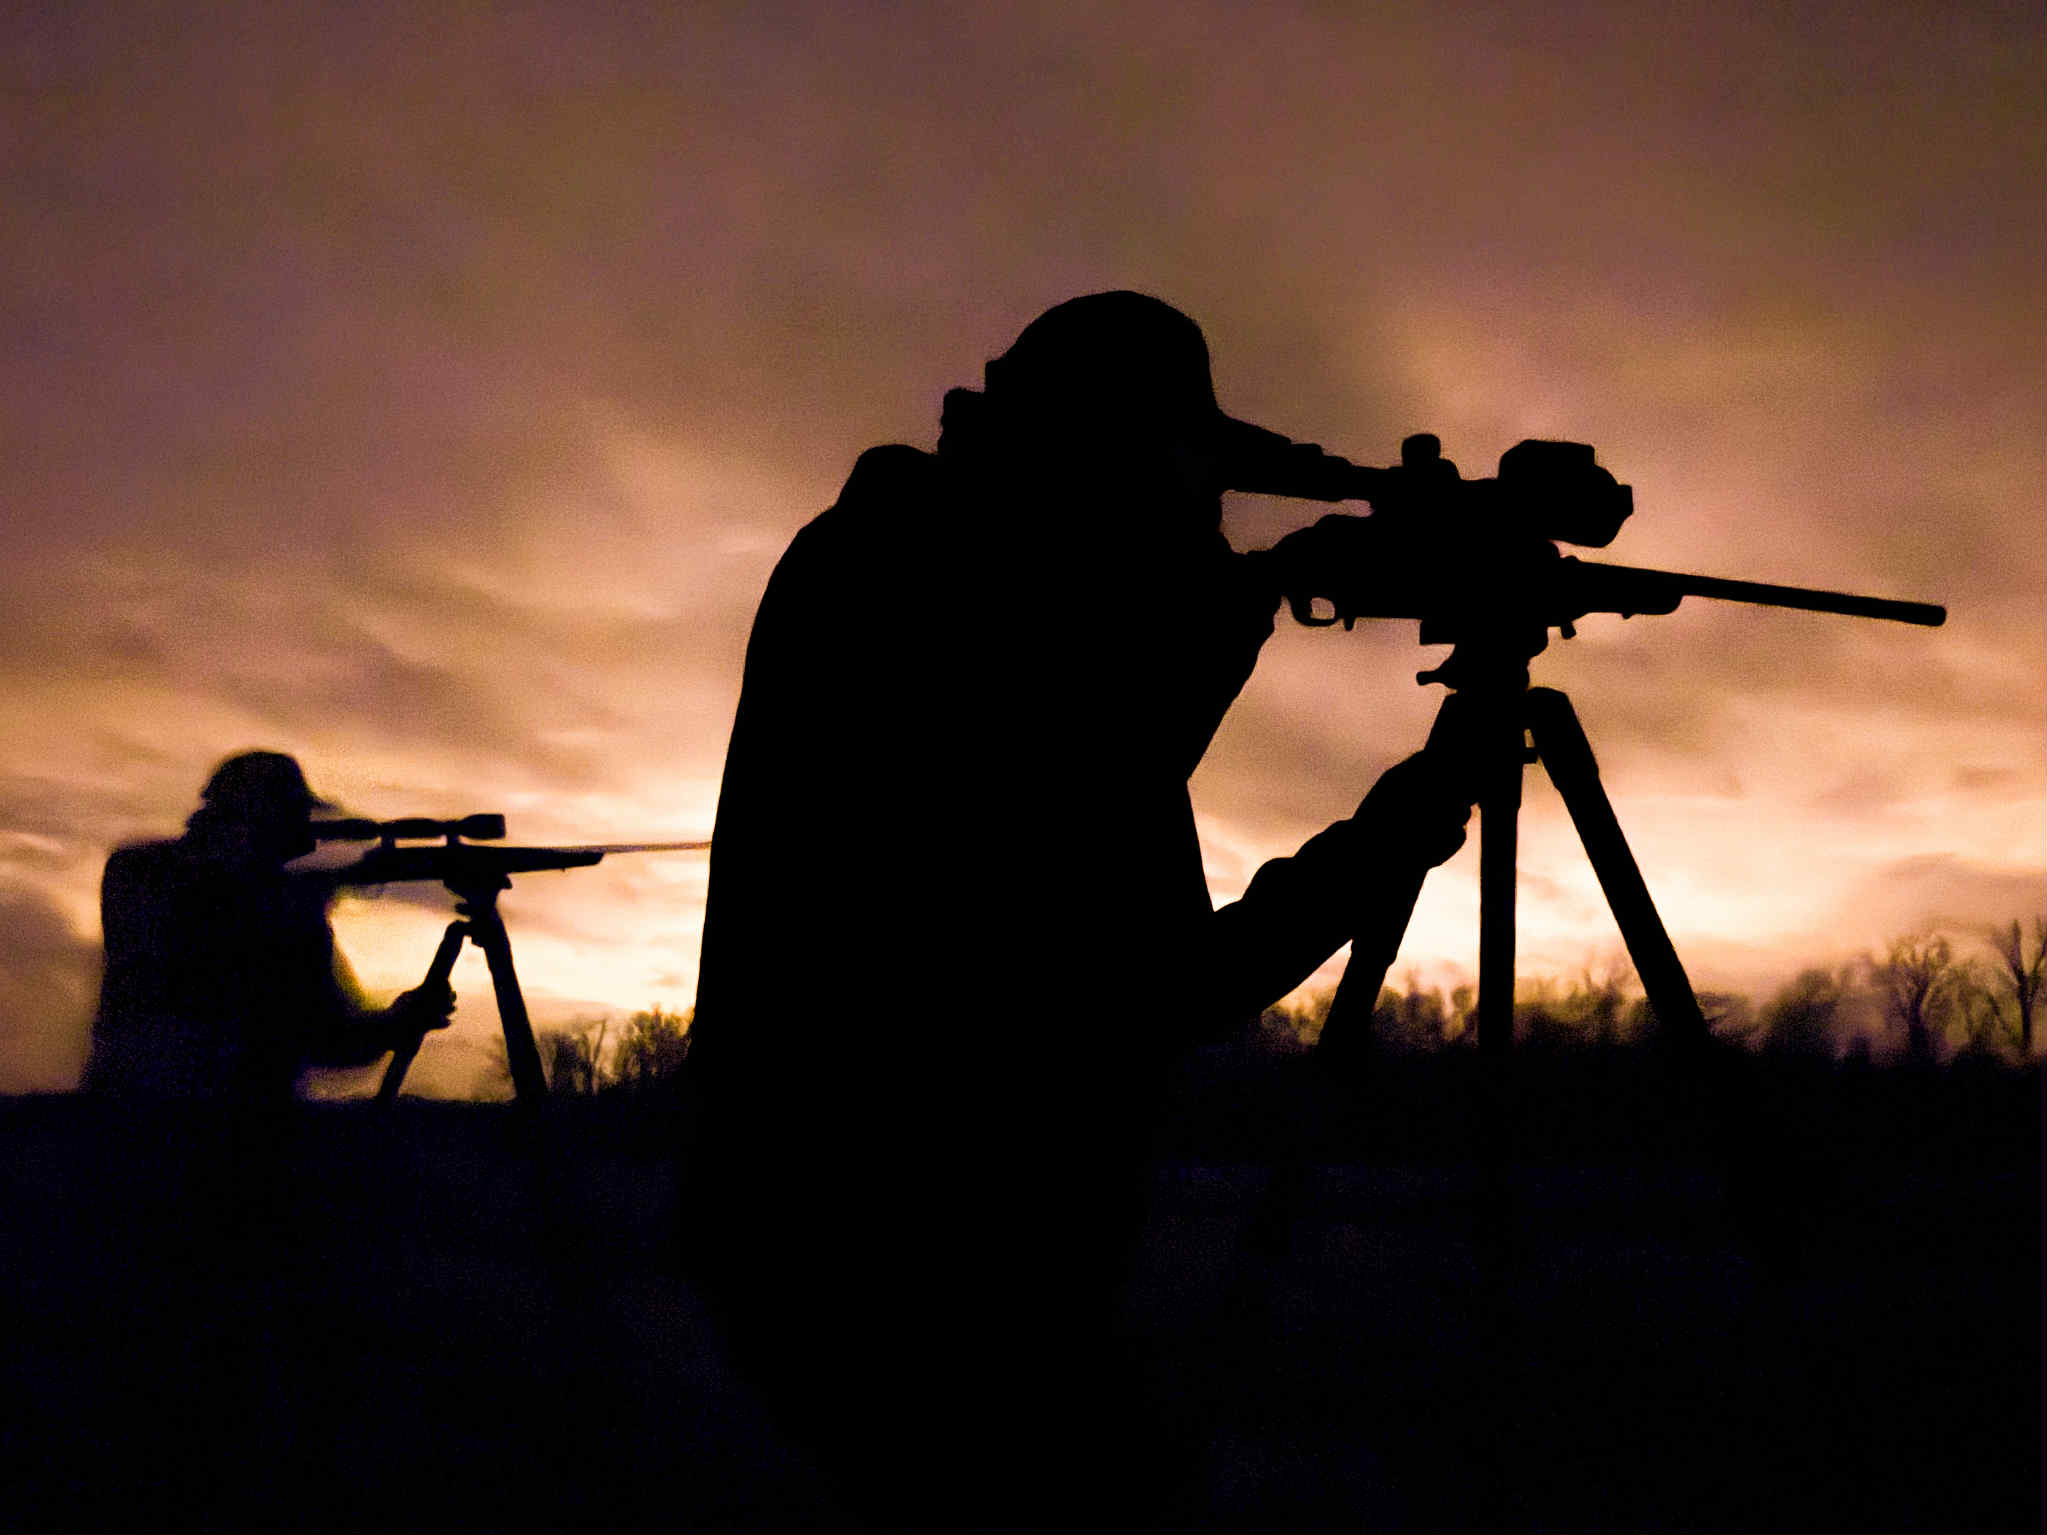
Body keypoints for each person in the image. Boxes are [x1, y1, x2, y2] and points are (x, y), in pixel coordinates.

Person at [682, 292, 1474, 1522]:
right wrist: (1382, 843)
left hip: (851, 1233)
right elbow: (1155, 977)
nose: (1194, 518)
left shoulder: (881, 553)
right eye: (1176, 482)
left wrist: (1253, 588)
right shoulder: (948, 596)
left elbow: (1093, 722)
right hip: (921, 1260)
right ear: (1108, 470)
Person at [84, 750, 455, 1099]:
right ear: (254, 820)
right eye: (290, 819)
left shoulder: (138, 871)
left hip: (129, 1118)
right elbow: (324, 1037)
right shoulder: (144, 874)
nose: (303, 838)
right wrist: (393, 1024)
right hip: (224, 1129)